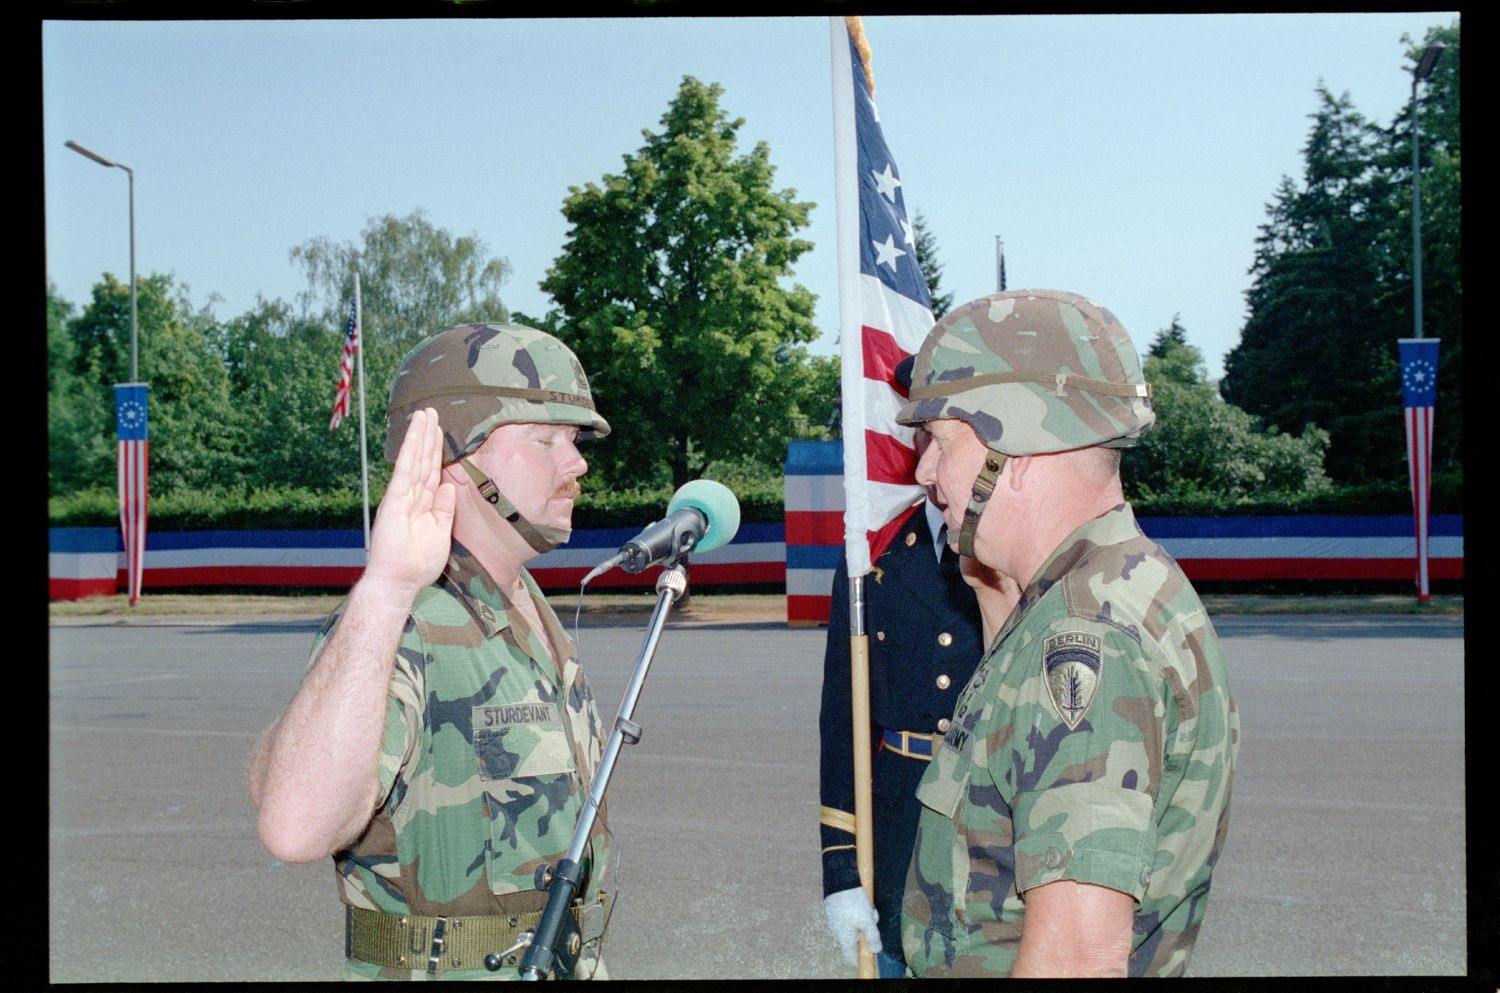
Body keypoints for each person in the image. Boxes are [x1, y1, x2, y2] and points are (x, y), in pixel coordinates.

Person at [249, 323, 615, 980]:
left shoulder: (529, 608)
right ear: (454, 452)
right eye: (546, 439)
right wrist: (386, 587)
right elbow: (294, 827)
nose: (577, 461)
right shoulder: (406, 625)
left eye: (575, 440)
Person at [895, 289, 1239, 978]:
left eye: (937, 440)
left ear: (1012, 447)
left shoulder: (1085, 635)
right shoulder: (1105, 585)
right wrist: (996, 589)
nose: (923, 472)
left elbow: (1077, 957)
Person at [818, 359, 989, 978]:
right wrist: (841, 868)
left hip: (990, 834)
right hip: (899, 831)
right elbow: (844, 719)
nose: (924, 453)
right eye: (920, 428)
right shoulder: (873, 555)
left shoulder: (1016, 549)